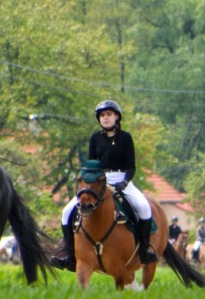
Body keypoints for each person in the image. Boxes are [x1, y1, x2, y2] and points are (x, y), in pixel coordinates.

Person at [49, 100, 158, 271]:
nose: (105, 118)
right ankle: (69, 254)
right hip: (99, 181)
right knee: (66, 212)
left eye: (109, 114)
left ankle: (144, 250)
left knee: (144, 207)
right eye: (102, 115)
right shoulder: (95, 138)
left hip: (122, 179)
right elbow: (92, 165)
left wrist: (124, 182)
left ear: (116, 117)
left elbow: (131, 167)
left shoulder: (126, 138)